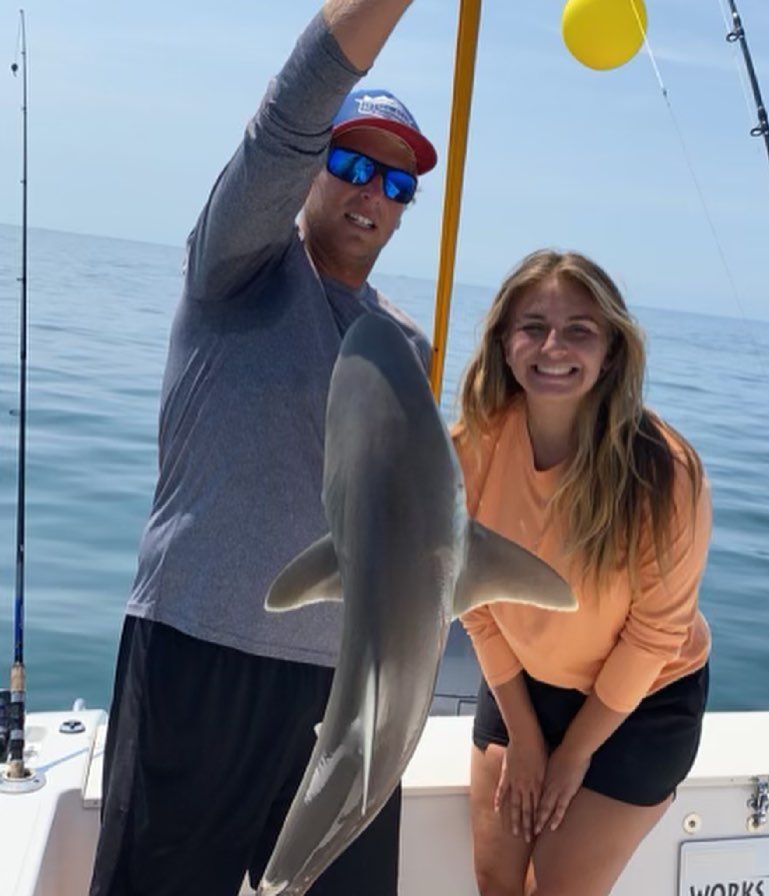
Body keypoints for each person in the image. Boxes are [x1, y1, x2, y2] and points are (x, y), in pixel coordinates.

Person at [89, 2, 436, 894]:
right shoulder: (235, 267)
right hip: (200, 652)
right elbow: (291, 112)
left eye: (396, 186)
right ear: (315, 168)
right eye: (356, 166)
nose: (372, 195)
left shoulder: (408, 347)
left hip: (350, 686)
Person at [453, 249, 712, 896]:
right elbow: (471, 598)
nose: (552, 346)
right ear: (504, 343)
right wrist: (527, 736)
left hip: (641, 701)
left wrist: (571, 755)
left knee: (559, 886)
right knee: (494, 876)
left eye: (579, 330)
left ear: (611, 351)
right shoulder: (473, 445)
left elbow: (654, 636)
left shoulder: (665, 470)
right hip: (521, 685)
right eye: (532, 325)